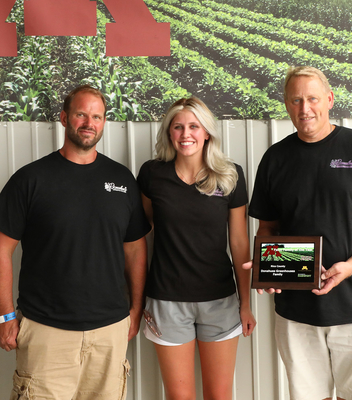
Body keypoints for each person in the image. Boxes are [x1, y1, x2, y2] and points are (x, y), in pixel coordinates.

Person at [246, 66, 352, 400]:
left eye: (313, 98)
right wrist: (268, 268)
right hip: (297, 313)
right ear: (286, 105)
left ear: (329, 100)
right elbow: (268, 230)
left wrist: (350, 266)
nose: (305, 109)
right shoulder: (275, 159)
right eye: (296, 100)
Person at [0, 85, 151, 400]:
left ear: (104, 122)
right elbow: (2, 249)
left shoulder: (122, 180)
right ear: (64, 118)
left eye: (97, 116)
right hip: (46, 332)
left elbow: (135, 249)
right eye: (81, 114)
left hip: (110, 332)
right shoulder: (30, 180)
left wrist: (136, 308)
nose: (89, 122)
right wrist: (5, 315)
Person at [137, 97, 256, 400]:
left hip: (220, 300)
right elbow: (141, 232)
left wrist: (245, 303)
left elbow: (239, 242)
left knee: (219, 396)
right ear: (169, 133)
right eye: (177, 127)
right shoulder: (152, 175)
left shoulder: (230, 175)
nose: (185, 133)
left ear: (207, 132)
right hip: (167, 302)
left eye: (193, 126)